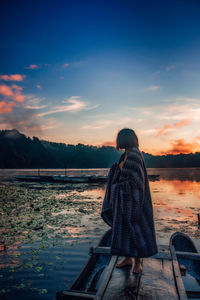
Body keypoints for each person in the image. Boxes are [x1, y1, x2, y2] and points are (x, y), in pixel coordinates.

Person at [101, 128, 158, 274]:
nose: (117, 141)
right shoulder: (124, 155)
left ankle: (138, 262)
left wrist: (119, 187)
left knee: (136, 230)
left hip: (136, 201)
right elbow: (121, 176)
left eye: (119, 139)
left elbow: (137, 182)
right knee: (125, 230)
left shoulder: (134, 155)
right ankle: (128, 259)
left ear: (125, 140)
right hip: (123, 201)